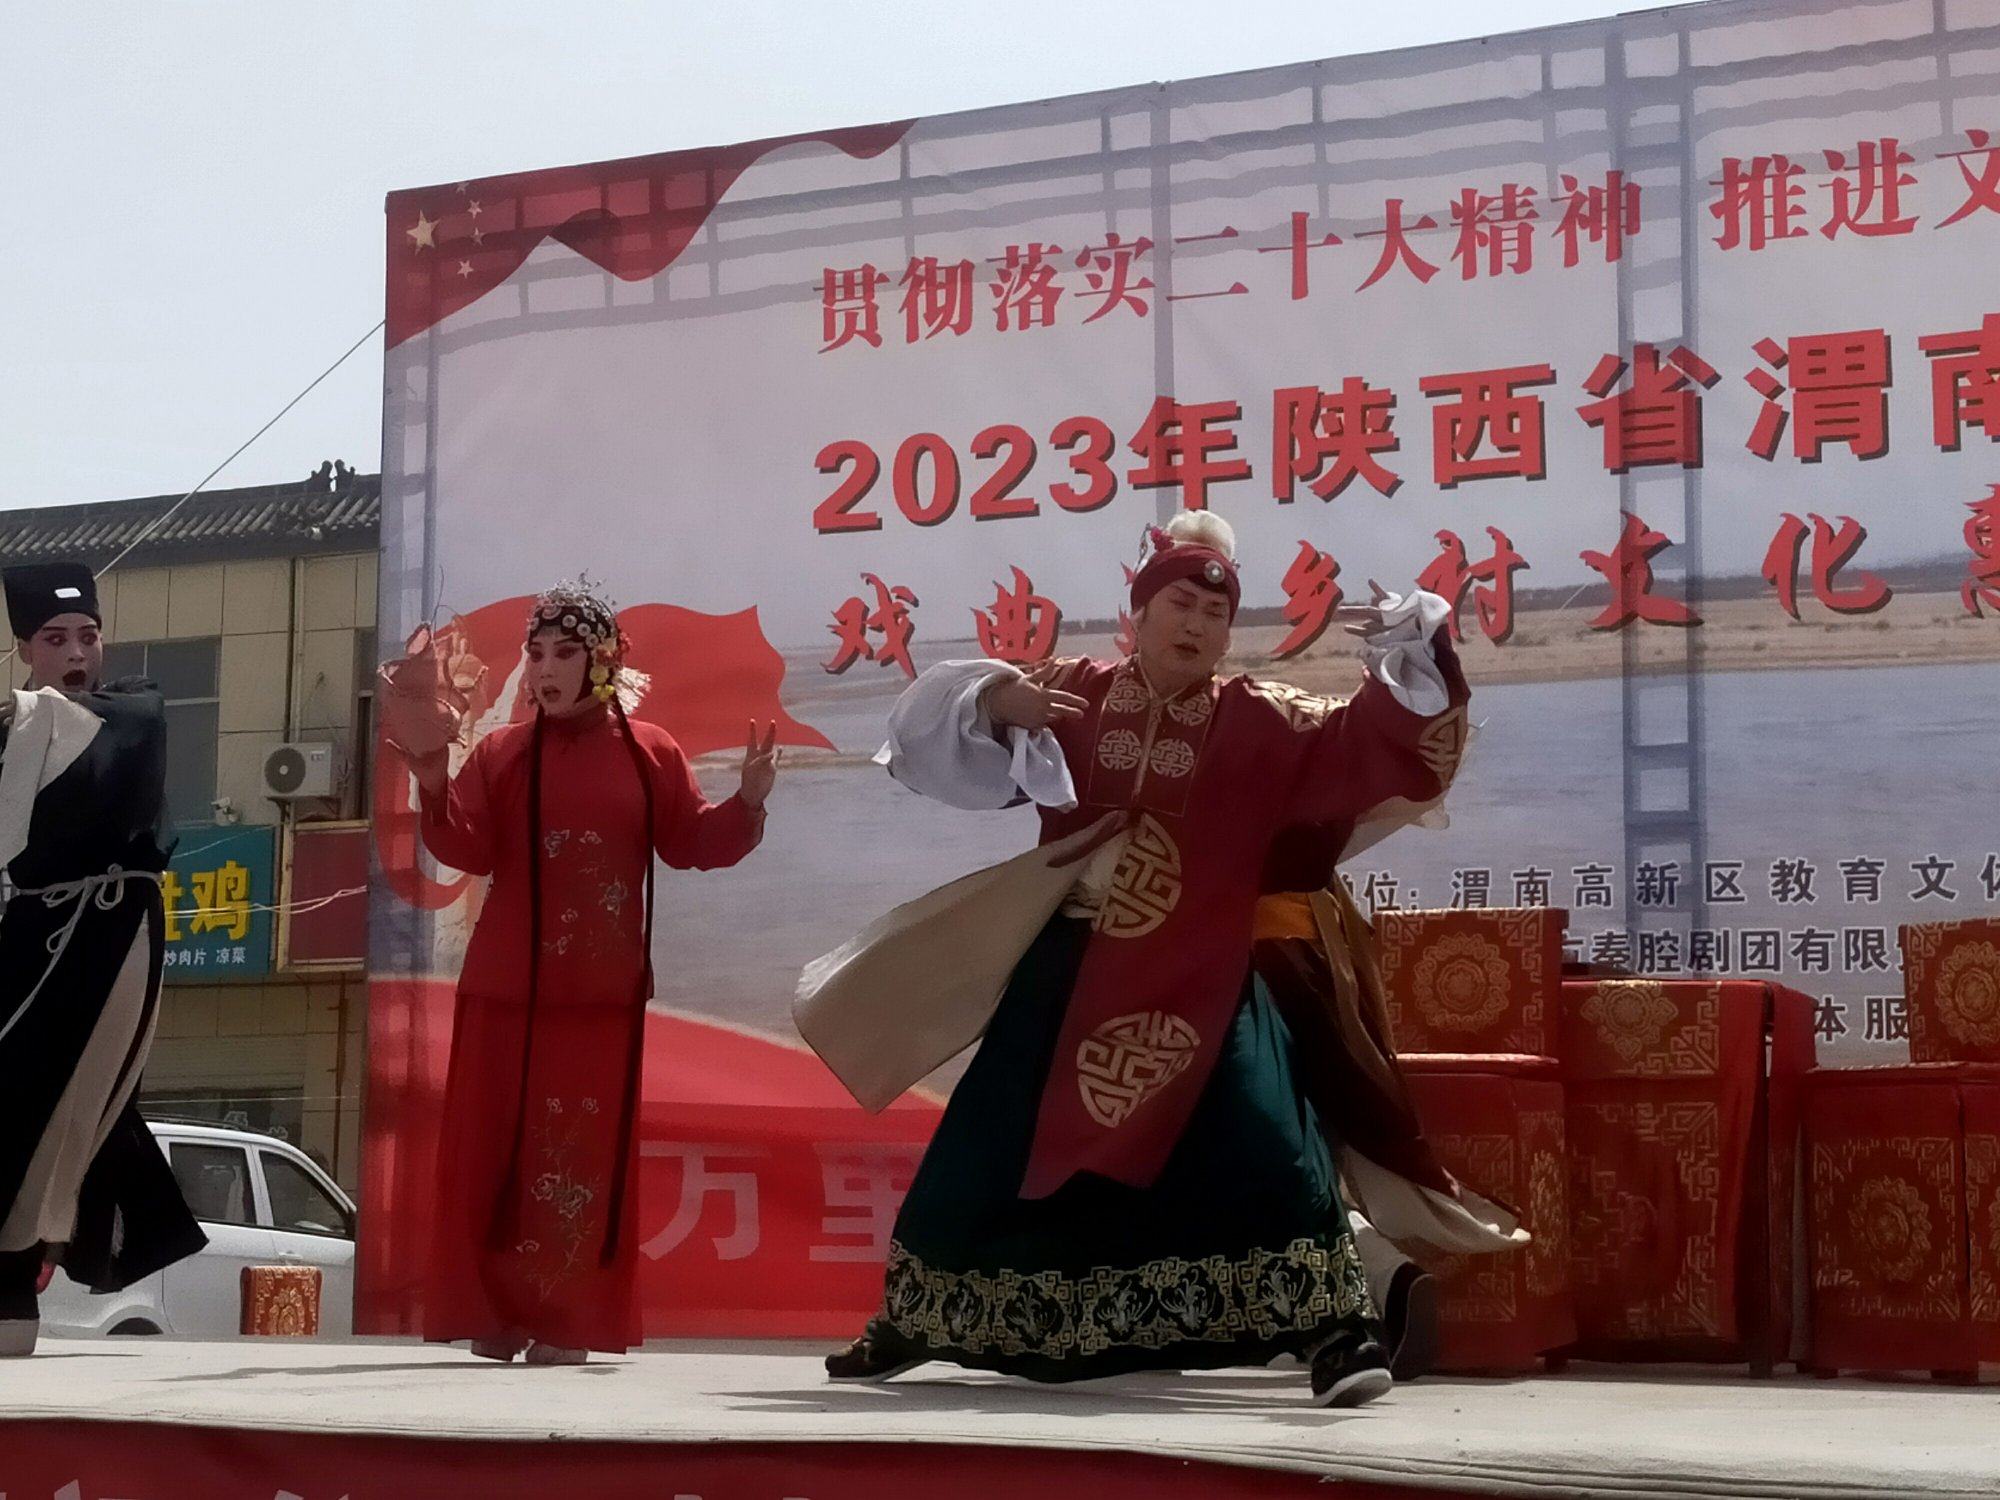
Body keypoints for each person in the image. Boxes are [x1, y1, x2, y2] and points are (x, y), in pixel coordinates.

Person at [799, 514, 1472, 1407]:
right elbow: (926, 738)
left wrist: (1416, 651)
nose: (1195, 625)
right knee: (987, 1147)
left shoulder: (1261, 718)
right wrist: (997, 703)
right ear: (1139, 612)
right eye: (1179, 604)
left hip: (1202, 969)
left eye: (1214, 614)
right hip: (1070, 963)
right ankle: (915, 1320)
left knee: (1270, 1139)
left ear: (1228, 636)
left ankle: (1336, 1332)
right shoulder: (1069, 694)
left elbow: (1375, 747)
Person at [387, 579, 778, 1365]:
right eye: (535, 654)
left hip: (599, 995)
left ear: (603, 661)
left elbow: (692, 842)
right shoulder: (502, 752)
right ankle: (497, 1315)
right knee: (494, 1154)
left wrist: (749, 802)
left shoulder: (649, 751)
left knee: (579, 1156)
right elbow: (467, 848)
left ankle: (570, 1322)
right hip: (505, 989)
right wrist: (431, 783)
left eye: (563, 653)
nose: (544, 670)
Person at [0, 562, 205, 1357]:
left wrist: (20, 715)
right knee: (20, 1092)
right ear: (26, 648)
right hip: (24, 933)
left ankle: (18, 1262)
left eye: (87, 635)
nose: (76, 652)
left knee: (63, 1097)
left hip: (109, 932)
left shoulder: (133, 708)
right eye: (55, 639)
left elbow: (120, 734)